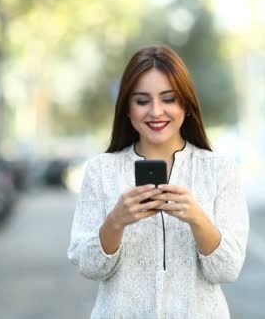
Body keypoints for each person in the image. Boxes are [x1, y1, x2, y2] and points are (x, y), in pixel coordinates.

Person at [68, 45, 249, 318]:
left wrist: (197, 218)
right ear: (127, 109)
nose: (156, 111)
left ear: (185, 105)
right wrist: (116, 221)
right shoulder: (100, 171)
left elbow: (227, 269)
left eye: (168, 99)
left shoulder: (219, 170)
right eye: (142, 101)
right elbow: (89, 266)